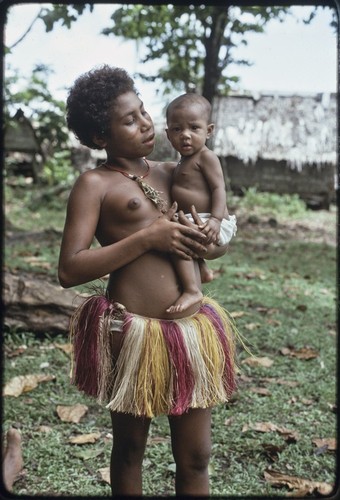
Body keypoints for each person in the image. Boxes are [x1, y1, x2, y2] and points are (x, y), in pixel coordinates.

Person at [58, 65, 239, 497]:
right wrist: (147, 238)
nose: (145, 123)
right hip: (132, 331)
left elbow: (212, 243)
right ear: (102, 137)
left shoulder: (175, 169)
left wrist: (213, 238)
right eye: (129, 119)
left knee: (196, 456)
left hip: (190, 330)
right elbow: (70, 269)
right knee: (129, 451)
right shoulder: (94, 185)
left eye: (143, 112)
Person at [165, 93, 237, 313]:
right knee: (175, 233)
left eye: (194, 128)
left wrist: (215, 220)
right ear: (168, 134)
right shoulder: (181, 162)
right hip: (199, 221)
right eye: (177, 129)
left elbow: (218, 188)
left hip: (211, 221)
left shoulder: (207, 157)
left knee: (177, 244)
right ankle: (203, 270)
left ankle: (192, 289)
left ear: (209, 130)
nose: (185, 135)